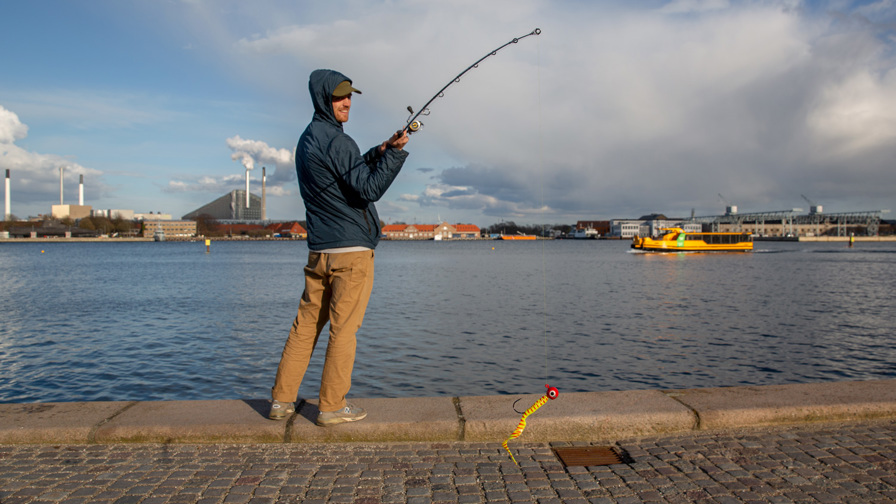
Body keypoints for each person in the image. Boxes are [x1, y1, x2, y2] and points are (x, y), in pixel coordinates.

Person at [269, 69, 409, 426]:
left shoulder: (308, 140)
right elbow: (367, 189)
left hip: (320, 252)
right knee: (344, 330)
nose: (347, 102)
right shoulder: (337, 139)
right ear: (323, 98)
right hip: (351, 255)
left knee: (306, 326)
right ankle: (331, 406)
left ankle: (281, 402)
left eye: (350, 96)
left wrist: (380, 149)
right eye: (339, 96)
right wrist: (394, 157)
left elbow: (346, 174)